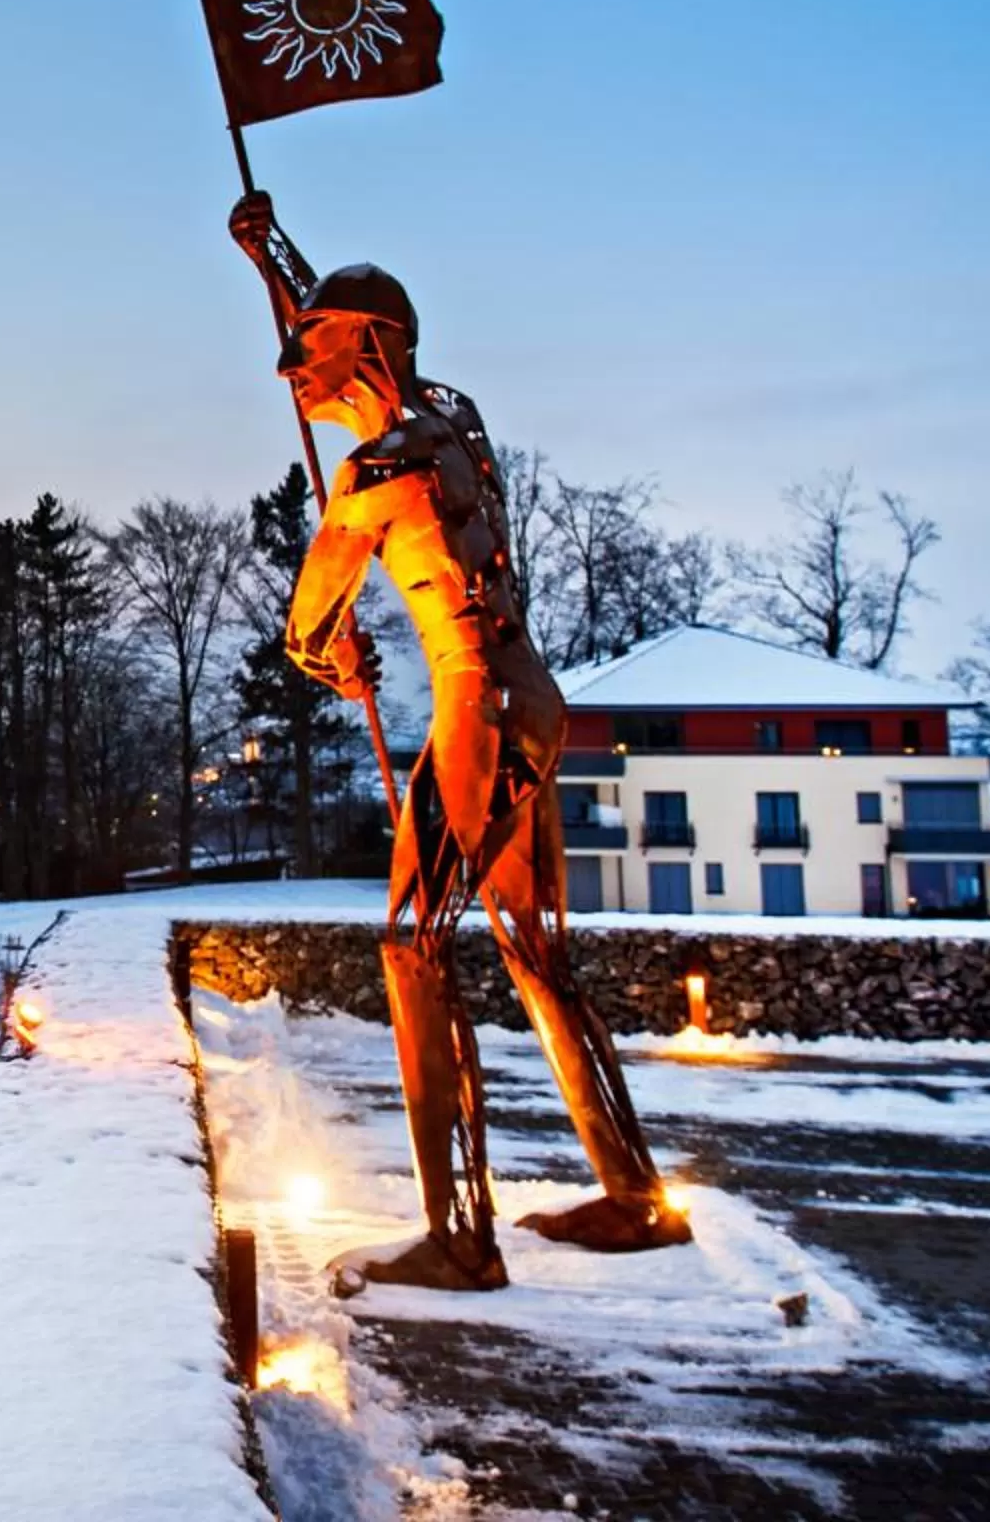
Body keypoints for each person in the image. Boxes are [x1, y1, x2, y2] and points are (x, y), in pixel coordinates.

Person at [230, 189, 689, 1291]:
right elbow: (345, 329)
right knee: (536, 954)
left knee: (412, 947)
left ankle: (458, 1232)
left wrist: (333, 657)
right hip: (534, 693)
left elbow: (305, 625)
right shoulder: (458, 422)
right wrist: (269, 251)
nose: (291, 369)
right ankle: (633, 1193)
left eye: (312, 350)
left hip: (473, 704)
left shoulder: (376, 474)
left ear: (369, 345)